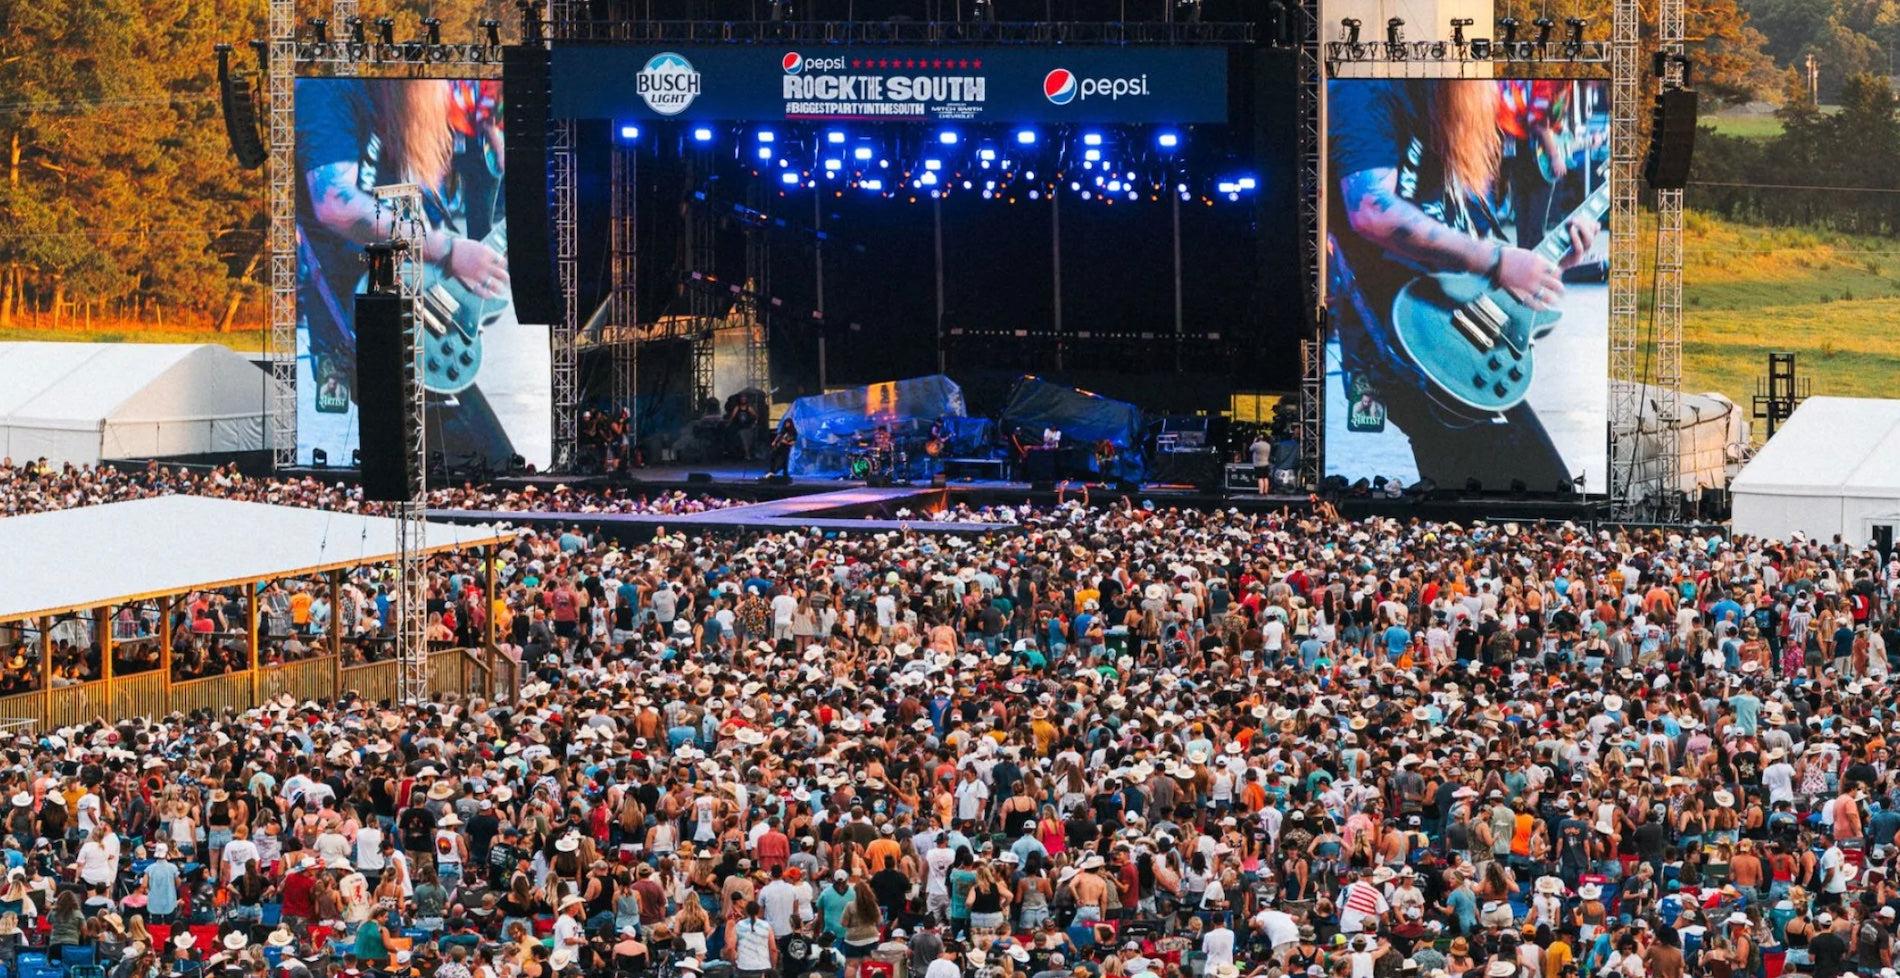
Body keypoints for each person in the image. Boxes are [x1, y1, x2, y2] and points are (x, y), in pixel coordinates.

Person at [1328, 78, 1602, 488]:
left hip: (1465, 338)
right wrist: (1498, 260)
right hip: (1414, 337)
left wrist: (1548, 261)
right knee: (1535, 499)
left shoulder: (1458, 117)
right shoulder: (1367, 89)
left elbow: (1468, 242)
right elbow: (1371, 209)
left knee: (1515, 500)